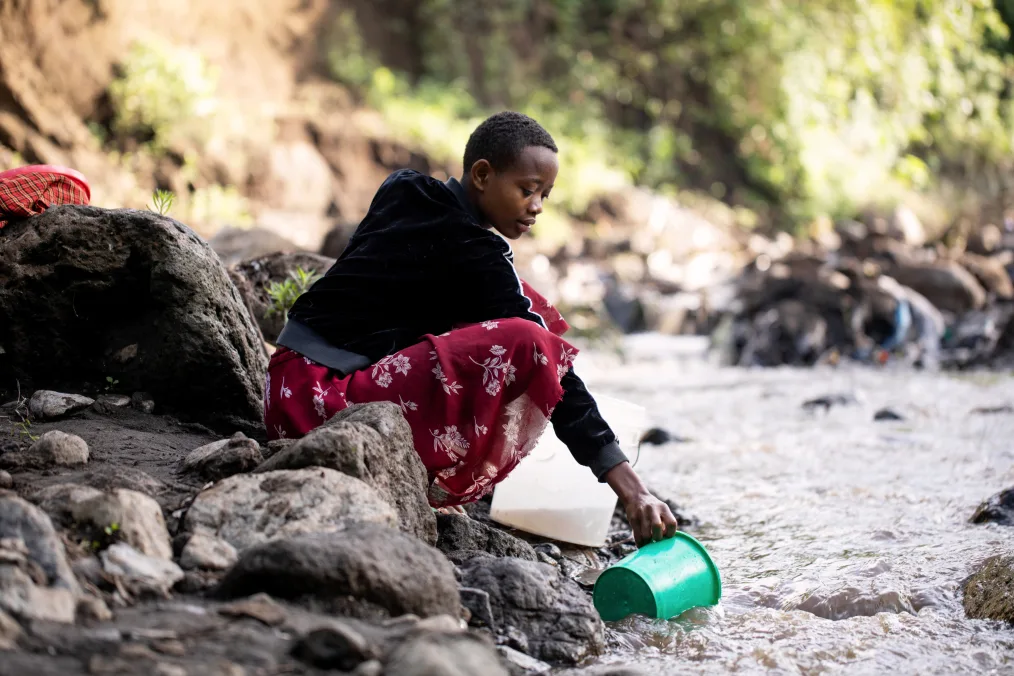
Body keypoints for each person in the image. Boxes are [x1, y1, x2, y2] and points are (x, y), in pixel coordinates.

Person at [265, 111, 678, 546]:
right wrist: (632, 489)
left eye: (545, 195)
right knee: (530, 339)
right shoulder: (475, 252)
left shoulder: (404, 189)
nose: (536, 207)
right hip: (318, 405)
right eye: (527, 189)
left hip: (286, 382)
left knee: (527, 307)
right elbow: (556, 374)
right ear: (482, 174)